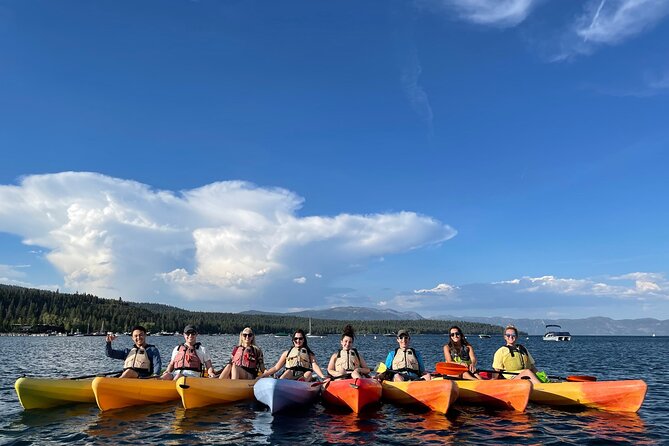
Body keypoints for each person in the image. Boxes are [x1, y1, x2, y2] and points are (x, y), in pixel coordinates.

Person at [262, 329, 326, 381]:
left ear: (304, 340)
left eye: (300, 338)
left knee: (309, 373)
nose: (298, 340)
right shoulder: (286, 353)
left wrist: (323, 377)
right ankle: (281, 383)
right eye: (296, 338)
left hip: (304, 374)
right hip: (290, 374)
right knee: (288, 372)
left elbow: (315, 366)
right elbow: (276, 367)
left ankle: (301, 382)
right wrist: (265, 374)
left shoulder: (309, 354)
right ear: (293, 340)